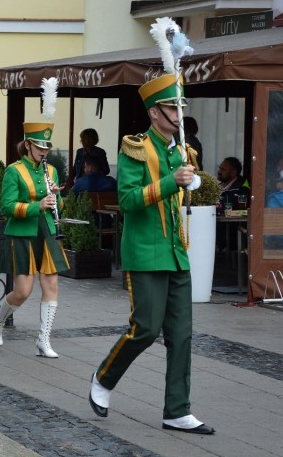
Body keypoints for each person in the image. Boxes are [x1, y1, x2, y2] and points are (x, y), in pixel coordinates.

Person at [88, 71, 214, 435]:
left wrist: (194, 182)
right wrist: (169, 182)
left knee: (182, 335)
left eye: (180, 106)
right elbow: (126, 200)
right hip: (144, 251)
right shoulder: (135, 147)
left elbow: (189, 191)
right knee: (145, 329)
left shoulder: (183, 150)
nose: (178, 113)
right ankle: (103, 378)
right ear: (154, 112)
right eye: (171, 107)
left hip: (177, 251)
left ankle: (177, 409)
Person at [0, 79, 69, 360]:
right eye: (40, 147)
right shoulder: (14, 170)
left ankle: (43, 339)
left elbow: (56, 203)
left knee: (52, 284)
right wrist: (37, 205)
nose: (45, 152)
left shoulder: (52, 172)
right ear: (29, 146)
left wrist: (57, 199)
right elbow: (7, 206)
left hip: (47, 231)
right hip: (22, 232)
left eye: (47, 147)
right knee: (23, 291)